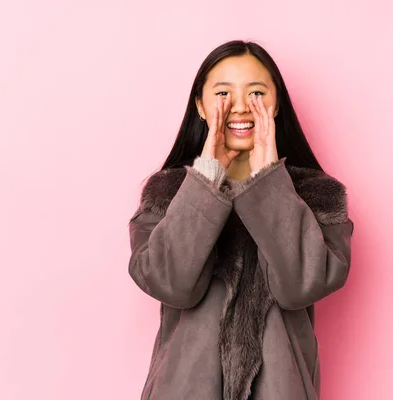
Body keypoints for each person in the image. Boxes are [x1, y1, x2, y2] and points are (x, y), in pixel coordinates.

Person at [127, 39, 354, 400]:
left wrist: (269, 182)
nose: (238, 107)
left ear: (275, 102)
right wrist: (205, 177)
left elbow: (300, 287)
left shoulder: (317, 196)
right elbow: (170, 283)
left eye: (256, 92)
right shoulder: (167, 194)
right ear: (200, 105)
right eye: (222, 93)